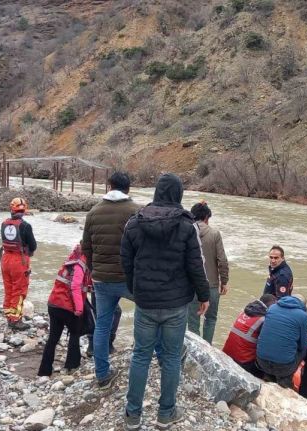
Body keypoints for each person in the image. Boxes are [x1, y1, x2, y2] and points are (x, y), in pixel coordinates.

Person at [121, 173, 210, 430]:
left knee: (140, 355)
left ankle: (133, 415)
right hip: (175, 305)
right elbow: (196, 266)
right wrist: (203, 295)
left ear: (157, 192)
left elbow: (126, 262)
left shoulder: (134, 223)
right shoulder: (187, 224)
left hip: (146, 302)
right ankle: (166, 413)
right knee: (171, 358)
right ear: (179, 194)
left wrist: (135, 289)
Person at [81, 171, 140, 384]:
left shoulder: (94, 212)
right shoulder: (137, 212)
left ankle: (102, 374)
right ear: (128, 188)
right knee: (144, 319)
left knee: (102, 326)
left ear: (109, 186)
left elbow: (85, 247)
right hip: (130, 279)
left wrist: (94, 269)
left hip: (102, 280)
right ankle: (143, 364)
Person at [38, 244, 89, 376]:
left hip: (54, 304)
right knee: (74, 333)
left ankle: (44, 370)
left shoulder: (69, 260)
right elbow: (76, 286)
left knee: (53, 338)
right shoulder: (81, 264)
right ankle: (72, 365)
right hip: (67, 307)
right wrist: (79, 309)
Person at [186, 201, 229, 344]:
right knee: (210, 319)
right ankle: (208, 348)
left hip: (191, 286)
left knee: (193, 321)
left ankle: (195, 350)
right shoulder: (214, 234)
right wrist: (224, 281)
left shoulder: (187, 231)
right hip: (211, 285)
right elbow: (222, 260)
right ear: (206, 218)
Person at [255, 293, 307, 388]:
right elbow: (303, 345)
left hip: (261, 360)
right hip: (283, 367)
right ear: (303, 305)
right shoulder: (303, 316)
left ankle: (268, 376)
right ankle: (285, 382)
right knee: (303, 350)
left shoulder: (272, 308)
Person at [0, 197, 37, 331]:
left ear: (12, 209)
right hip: (19, 261)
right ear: (24, 209)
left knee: (8, 288)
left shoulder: (4, 223)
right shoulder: (25, 226)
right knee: (19, 290)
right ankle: (16, 320)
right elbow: (33, 245)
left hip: (5, 259)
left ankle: (9, 316)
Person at [222, 294, 277, 377]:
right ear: (270, 306)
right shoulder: (263, 320)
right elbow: (268, 346)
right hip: (243, 362)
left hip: (226, 354)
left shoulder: (246, 311)